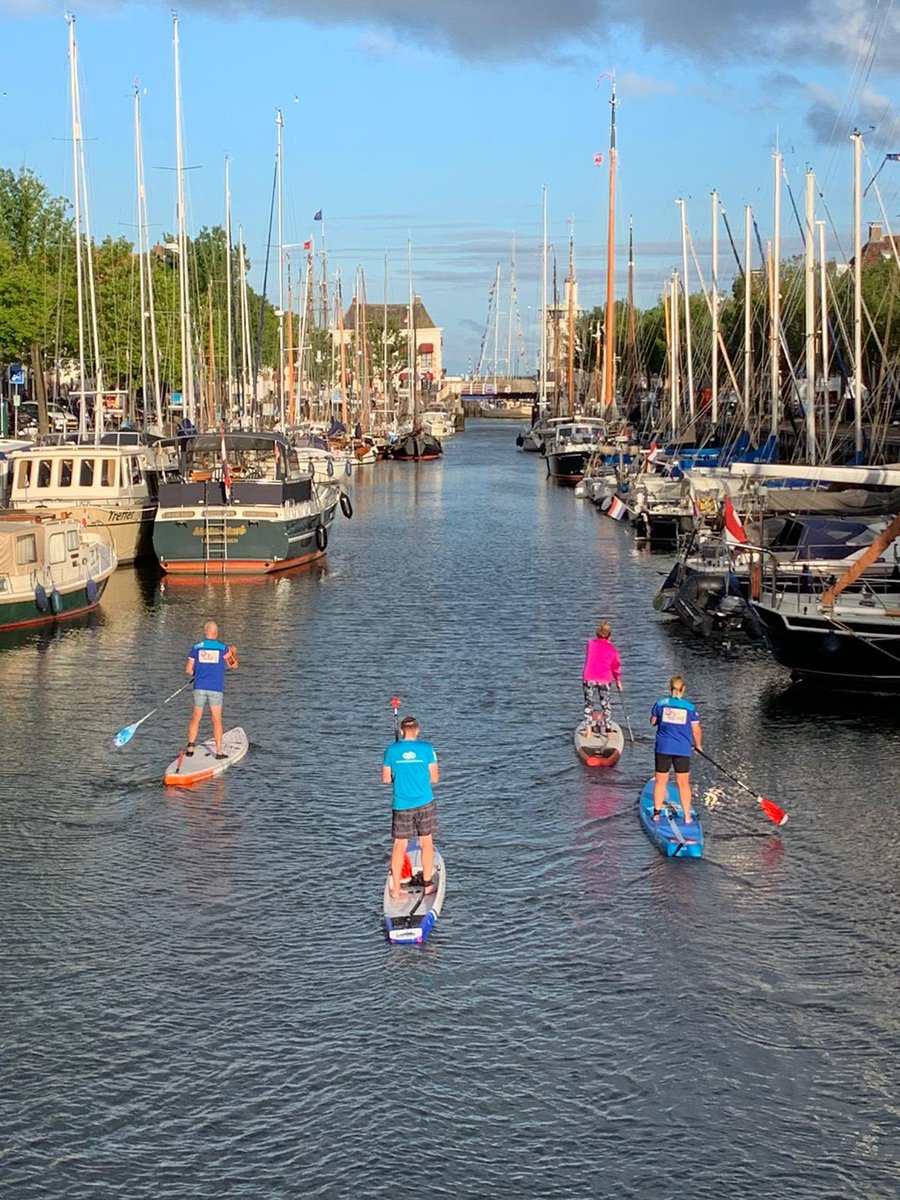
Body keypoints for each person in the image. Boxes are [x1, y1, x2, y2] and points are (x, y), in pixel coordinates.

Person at [382, 716, 440, 901]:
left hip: (401, 804)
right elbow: (435, 778)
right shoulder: (427, 749)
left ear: (401, 731)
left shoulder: (391, 750)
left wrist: (399, 776)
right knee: (426, 842)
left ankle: (395, 888)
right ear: (417, 731)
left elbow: (386, 779)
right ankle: (428, 885)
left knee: (399, 845)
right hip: (424, 802)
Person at [650, 675, 702, 823]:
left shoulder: (660, 704)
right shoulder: (690, 707)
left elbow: (652, 721)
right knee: (683, 783)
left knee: (661, 780)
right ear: (683, 689)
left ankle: (656, 813)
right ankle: (687, 816)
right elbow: (696, 730)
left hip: (663, 748)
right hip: (682, 749)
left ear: (670, 688)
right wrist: (698, 746)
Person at [184, 621, 238, 759]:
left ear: (205, 632)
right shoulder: (223, 648)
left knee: (196, 716)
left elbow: (188, 670)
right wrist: (234, 653)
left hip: (199, 687)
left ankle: (190, 747)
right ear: (216, 633)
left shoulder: (196, 648)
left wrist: (196, 674)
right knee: (216, 719)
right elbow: (233, 665)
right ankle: (219, 752)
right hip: (215, 688)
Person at [582, 620, 623, 735]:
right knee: (605, 703)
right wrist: (618, 681)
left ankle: (588, 730)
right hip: (604, 679)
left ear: (597, 633)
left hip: (589, 677)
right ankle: (608, 727)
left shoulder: (590, 644)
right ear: (610, 635)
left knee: (588, 703)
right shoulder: (612, 650)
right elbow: (616, 666)